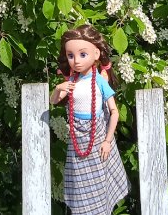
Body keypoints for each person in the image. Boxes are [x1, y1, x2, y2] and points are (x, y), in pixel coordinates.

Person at [50, 24, 130, 215]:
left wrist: (108, 141)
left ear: (96, 54)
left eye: (82, 54)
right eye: (71, 55)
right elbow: (54, 102)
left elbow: (114, 112)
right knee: (80, 184)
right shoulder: (71, 81)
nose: (76, 61)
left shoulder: (100, 81)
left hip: (97, 139)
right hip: (77, 141)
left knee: (100, 183)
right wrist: (57, 89)